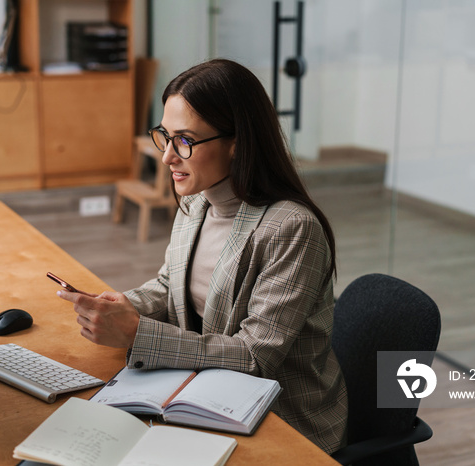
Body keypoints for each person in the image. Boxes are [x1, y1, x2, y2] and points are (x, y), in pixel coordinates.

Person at [57, 58, 347, 454]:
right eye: (165, 136)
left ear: (237, 143)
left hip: (287, 424)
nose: (167, 157)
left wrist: (137, 332)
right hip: (208, 395)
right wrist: (122, 306)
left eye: (185, 141)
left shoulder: (292, 228)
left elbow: (254, 356)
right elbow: (169, 284)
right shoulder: (197, 202)